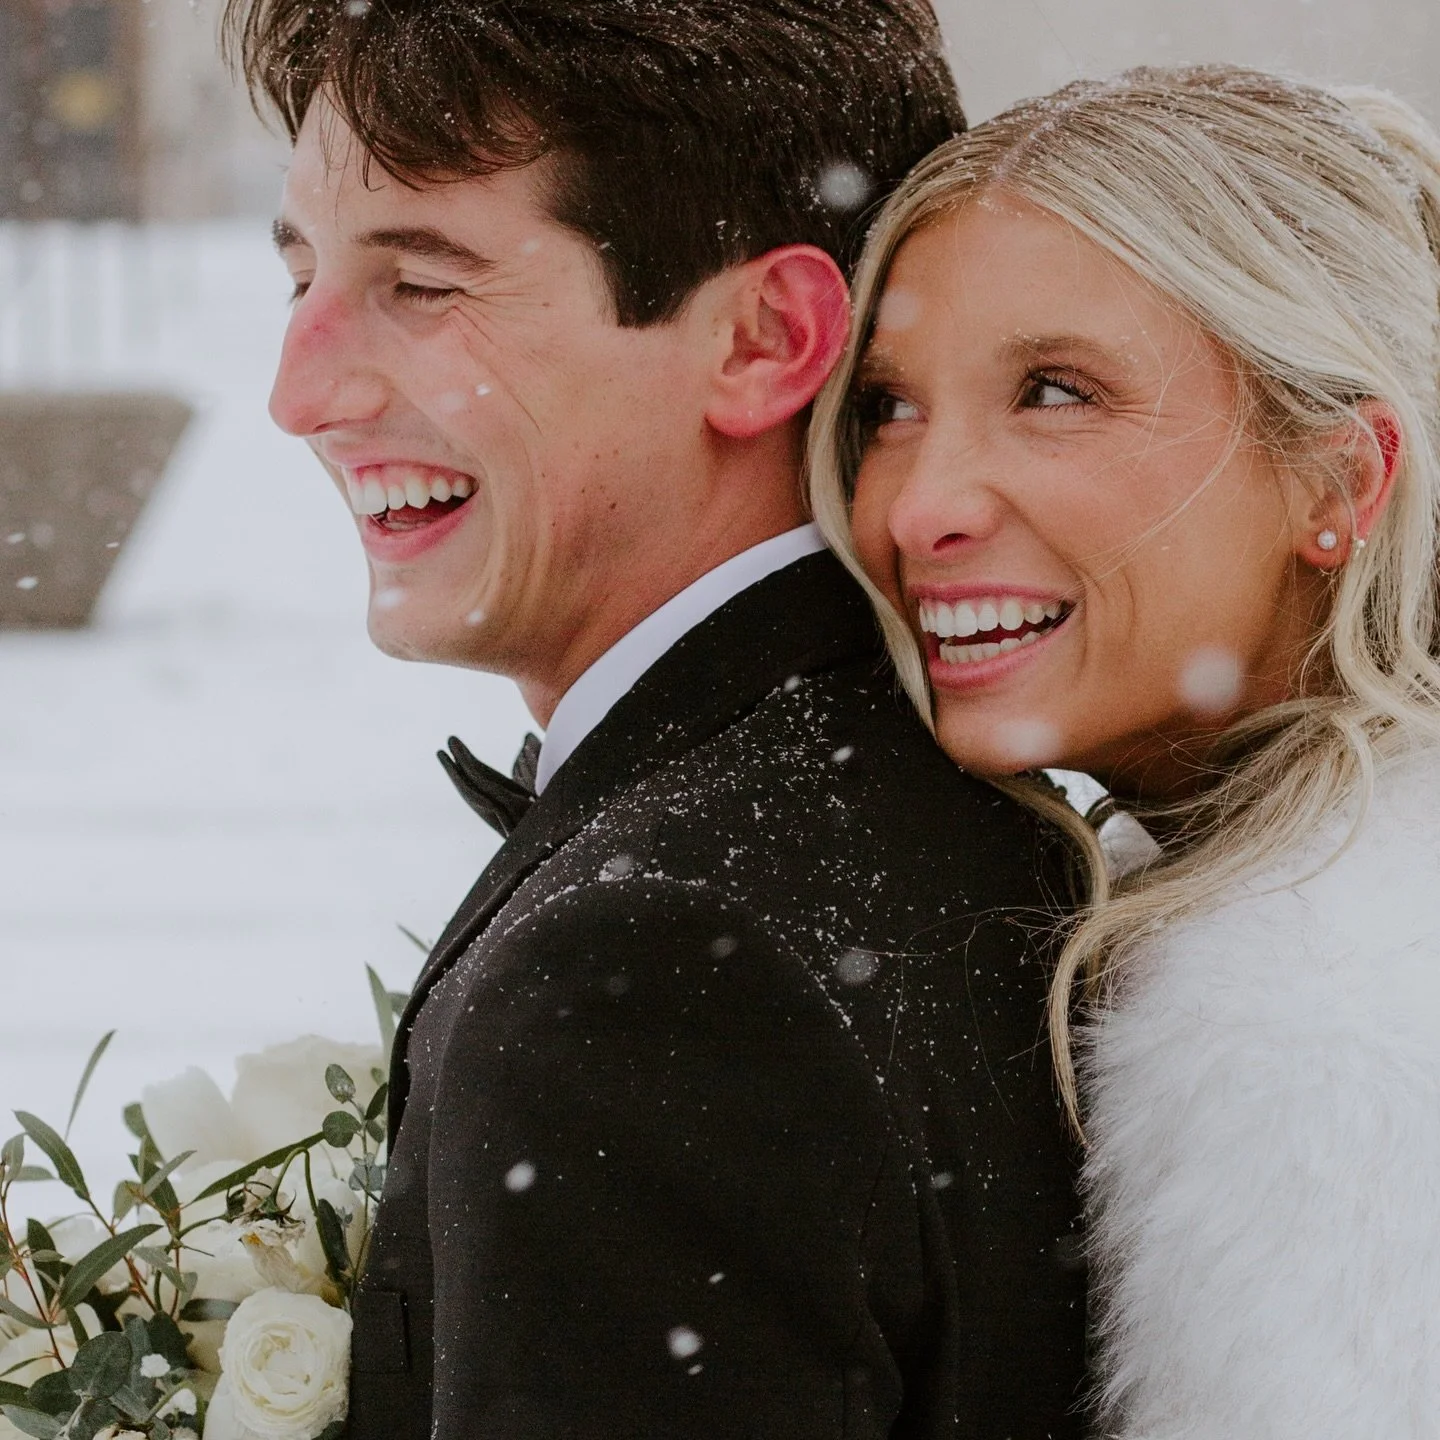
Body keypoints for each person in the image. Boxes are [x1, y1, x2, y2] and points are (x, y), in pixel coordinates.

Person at [222, 2, 1091, 1436]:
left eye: (421, 286)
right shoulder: (909, 799)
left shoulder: (653, 976)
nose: (299, 390)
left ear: (763, 338)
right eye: (301, 276)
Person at [811, 63, 1440, 1437]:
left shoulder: (1329, 1014)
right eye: (889, 408)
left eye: (1054, 390)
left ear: (1338, 480)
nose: (920, 508)